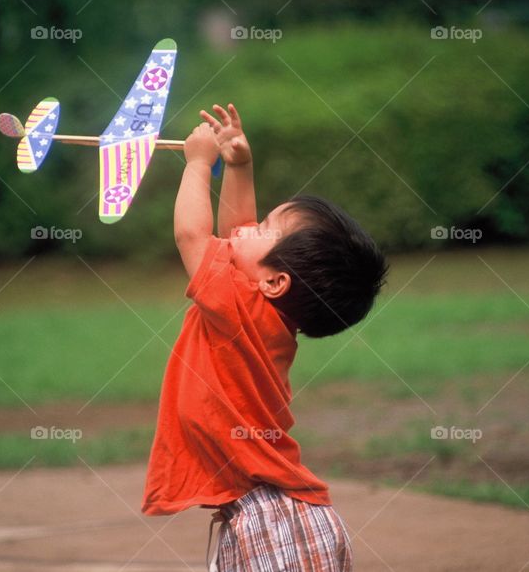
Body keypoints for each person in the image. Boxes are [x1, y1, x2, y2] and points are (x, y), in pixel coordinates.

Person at [141, 103, 388, 571]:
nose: (249, 227)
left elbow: (192, 236)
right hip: (271, 514)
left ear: (275, 282)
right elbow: (237, 230)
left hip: (276, 524)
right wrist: (238, 164)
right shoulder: (262, 312)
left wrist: (198, 163)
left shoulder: (236, 308)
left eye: (267, 229)